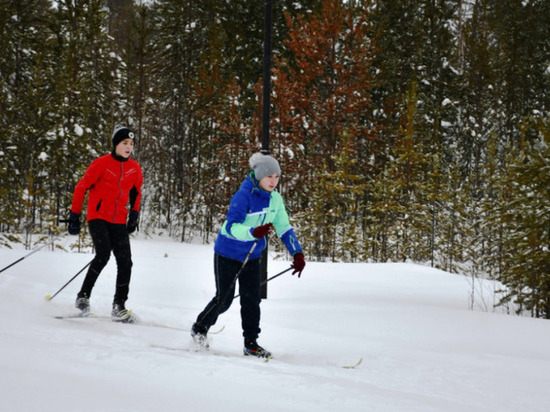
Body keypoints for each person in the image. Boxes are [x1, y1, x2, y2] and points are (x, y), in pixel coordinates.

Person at [191, 152, 306, 358]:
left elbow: (284, 228)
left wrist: (297, 253)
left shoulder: (276, 200)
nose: (274, 181)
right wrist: (252, 232)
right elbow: (231, 227)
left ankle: (251, 344)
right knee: (224, 300)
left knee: (251, 300)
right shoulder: (243, 196)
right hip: (227, 253)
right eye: (269, 176)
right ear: (260, 176)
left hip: (252, 256)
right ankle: (200, 328)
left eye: (277, 177)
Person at [67, 125, 143, 322]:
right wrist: (74, 215)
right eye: (125, 143)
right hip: (98, 216)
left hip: (119, 219)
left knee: (126, 261)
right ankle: (83, 297)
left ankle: (119, 307)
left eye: (131, 144)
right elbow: (81, 187)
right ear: (116, 144)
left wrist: (134, 214)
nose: (128, 147)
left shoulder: (134, 168)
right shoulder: (102, 163)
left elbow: (136, 192)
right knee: (103, 255)